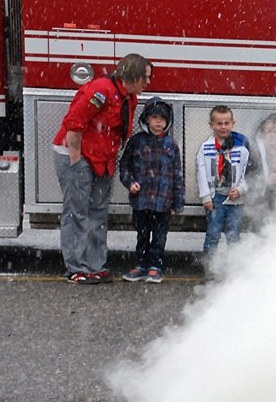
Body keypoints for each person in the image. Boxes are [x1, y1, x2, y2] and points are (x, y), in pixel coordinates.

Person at [52, 53, 152, 284]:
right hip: (80, 156)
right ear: (133, 75)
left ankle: (94, 265)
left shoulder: (128, 97)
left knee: (97, 213)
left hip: (102, 159)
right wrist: (76, 160)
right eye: (145, 77)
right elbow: (74, 123)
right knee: (76, 212)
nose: (147, 82)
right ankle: (76, 268)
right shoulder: (100, 91)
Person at [118, 97, 185, 284]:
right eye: (154, 117)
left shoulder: (171, 144)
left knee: (159, 234)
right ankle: (141, 265)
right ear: (146, 119)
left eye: (162, 119)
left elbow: (177, 174)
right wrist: (130, 182)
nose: (158, 122)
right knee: (142, 234)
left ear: (168, 121)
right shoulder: (136, 142)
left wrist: (178, 201)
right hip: (141, 200)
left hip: (163, 202)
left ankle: (156, 266)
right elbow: (125, 166)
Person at [196, 104, 252, 254]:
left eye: (227, 123)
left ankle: (233, 269)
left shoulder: (242, 147)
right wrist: (206, 197)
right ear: (211, 125)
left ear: (233, 124)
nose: (223, 127)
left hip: (235, 201)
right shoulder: (206, 147)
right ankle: (210, 268)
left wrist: (240, 190)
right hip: (215, 199)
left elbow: (248, 173)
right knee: (212, 235)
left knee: (233, 236)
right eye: (219, 123)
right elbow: (201, 173)